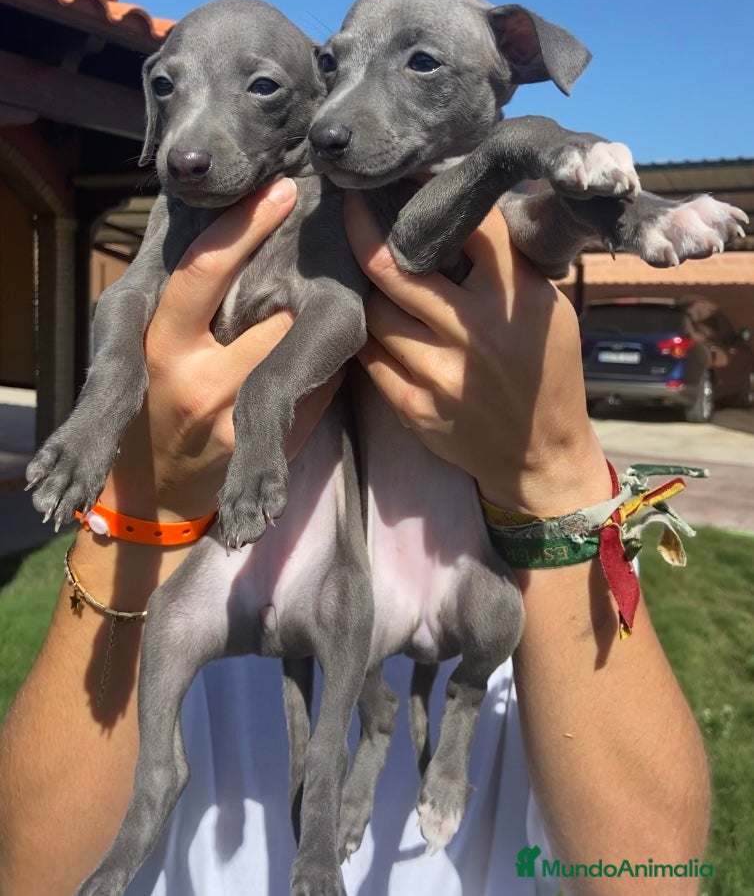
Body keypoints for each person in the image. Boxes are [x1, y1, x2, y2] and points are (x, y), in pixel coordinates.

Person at [0, 178, 709, 896]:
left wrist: (556, 470)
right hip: (240, 591)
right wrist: (143, 505)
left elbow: (652, 875)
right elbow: (30, 873)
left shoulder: (516, 434)